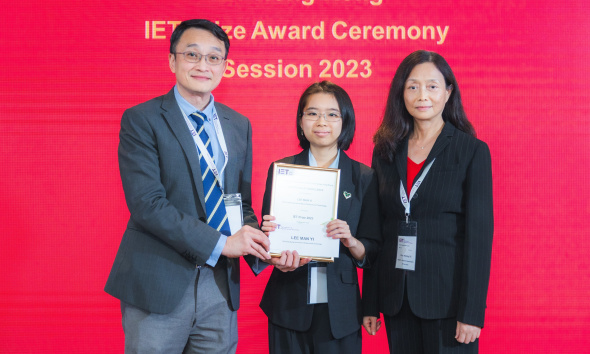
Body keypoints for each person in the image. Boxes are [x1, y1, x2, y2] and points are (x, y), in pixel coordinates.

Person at [104, 19, 271, 353]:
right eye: (192, 54)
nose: (202, 65)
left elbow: (239, 202)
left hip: (219, 288)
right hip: (159, 281)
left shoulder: (238, 124)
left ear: (225, 65)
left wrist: (266, 248)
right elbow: (147, 204)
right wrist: (222, 244)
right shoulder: (142, 119)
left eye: (213, 57)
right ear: (172, 61)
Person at [362, 50, 494, 353]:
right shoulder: (385, 151)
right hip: (398, 298)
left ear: (448, 92)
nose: (423, 95)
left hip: (448, 304)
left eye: (432, 86)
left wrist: (471, 312)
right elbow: (376, 229)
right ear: (401, 93)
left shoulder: (471, 151)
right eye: (413, 86)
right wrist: (370, 301)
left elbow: (479, 238)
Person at [259, 81, 381, 354]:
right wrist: (271, 245)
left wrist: (350, 240)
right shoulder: (282, 170)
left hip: (342, 309)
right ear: (301, 121)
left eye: (332, 114)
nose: (321, 121)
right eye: (312, 113)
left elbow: (371, 249)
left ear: (345, 121)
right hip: (288, 304)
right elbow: (268, 242)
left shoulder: (364, 177)